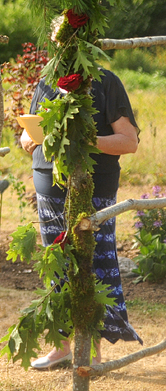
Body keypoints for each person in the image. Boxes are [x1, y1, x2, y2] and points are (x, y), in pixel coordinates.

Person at [20, 64, 142, 370]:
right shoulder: (47, 82)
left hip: (94, 184)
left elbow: (129, 141)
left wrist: (83, 142)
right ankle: (60, 347)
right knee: (56, 263)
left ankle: (91, 350)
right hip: (48, 182)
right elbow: (27, 136)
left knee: (92, 264)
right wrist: (30, 139)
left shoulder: (105, 81)